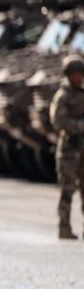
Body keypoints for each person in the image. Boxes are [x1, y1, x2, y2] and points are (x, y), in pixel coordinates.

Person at [49, 54, 84, 240]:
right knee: (67, 190)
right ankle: (64, 227)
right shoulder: (63, 95)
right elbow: (58, 121)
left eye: (80, 73)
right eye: (74, 74)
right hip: (70, 149)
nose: (78, 77)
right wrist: (79, 126)